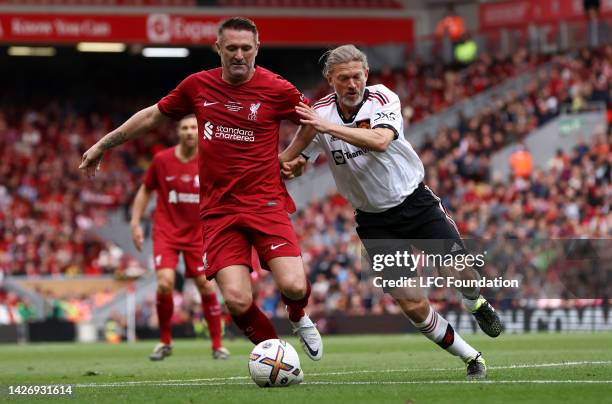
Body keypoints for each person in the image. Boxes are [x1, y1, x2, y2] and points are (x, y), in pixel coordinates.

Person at [79, 17, 322, 360]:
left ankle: (298, 316)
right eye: (232, 48)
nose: (239, 55)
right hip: (219, 211)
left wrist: (290, 156)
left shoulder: (277, 88)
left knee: (294, 286)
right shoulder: (197, 86)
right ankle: (278, 356)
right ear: (218, 48)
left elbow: (312, 121)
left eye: (246, 48)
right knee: (237, 300)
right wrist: (104, 144)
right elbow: (151, 116)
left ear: (257, 49)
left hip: (264, 203)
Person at [279, 45, 503, 379]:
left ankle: (476, 304)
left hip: (416, 204)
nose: (352, 84)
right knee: (413, 304)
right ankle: (473, 358)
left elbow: (381, 140)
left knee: (462, 274)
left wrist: (325, 129)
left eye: (357, 76)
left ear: (366, 75)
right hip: (374, 221)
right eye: (344, 78)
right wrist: (293, 167)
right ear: (330, 80)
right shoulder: (319, 114)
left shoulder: (382, 99)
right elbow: (293, 158)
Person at [130, 115, 229, 361]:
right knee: (164, 283)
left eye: (193, 127)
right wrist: (135, 222)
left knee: (205, 285)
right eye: (184, 127)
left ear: (200, 131)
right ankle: (165, 341)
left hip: (199, 234)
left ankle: (217, 345)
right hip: (167, 231)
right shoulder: (162, 160)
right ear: (178, 131)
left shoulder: (211, 159)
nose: (188, 132)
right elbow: (145, 190)